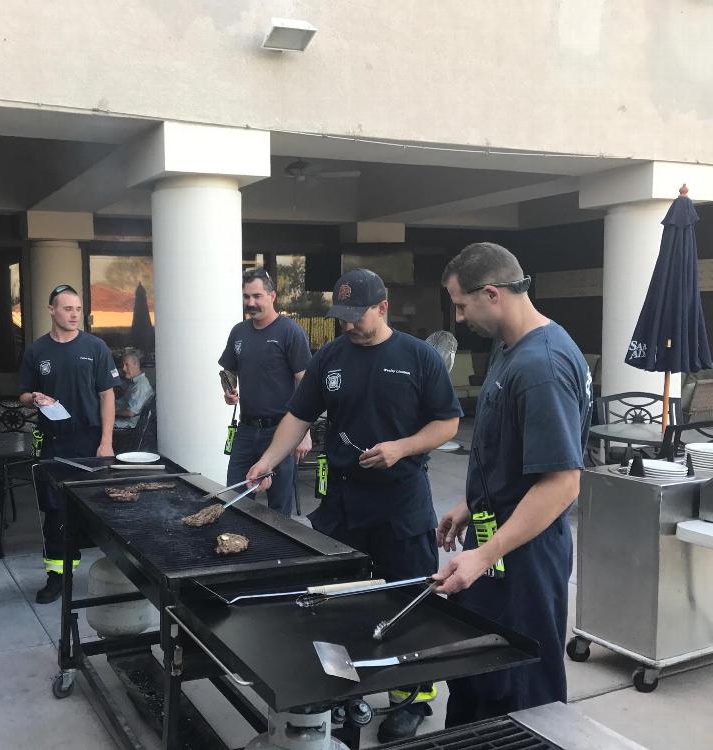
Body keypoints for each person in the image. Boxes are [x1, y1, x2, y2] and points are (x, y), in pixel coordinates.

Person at [246, 268, 462, 741]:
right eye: (341, 316)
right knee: (339, 601)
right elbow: (298, 415)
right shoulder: (331, 357)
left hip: (401, 501)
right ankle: (346, 689)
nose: (347, 324)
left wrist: (402, 447)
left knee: (408, 600)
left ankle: (411, 698)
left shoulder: (418, 356)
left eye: (356, 315)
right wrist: (267, 461)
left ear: (382, 308)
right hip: (344, 502)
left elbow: (447, 423)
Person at [433, 242, 591, 725]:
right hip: (496, 540)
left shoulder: (542, 367)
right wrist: (470, 503)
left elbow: (562, 484)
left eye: (462, 305)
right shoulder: (509, 349)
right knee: (479, 675)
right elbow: (514, 455)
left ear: (492, 293)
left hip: (524, 559)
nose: (459, 318)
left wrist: (484, 554)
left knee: (521, 691)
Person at [18, 284, 119, 604]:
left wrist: (106, 442)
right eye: (67, 309)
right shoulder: (36, 351)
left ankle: (114, 573)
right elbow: (23, 395)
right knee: (55, 512)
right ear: (52, 310)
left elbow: (107, 395)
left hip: (90, 439)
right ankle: (57, 577)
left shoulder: (95, 347)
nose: (74, 315)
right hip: (53, 441)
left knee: (99, 507)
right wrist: (33, 398)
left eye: (77, 309)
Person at [218, 268, 312, 517]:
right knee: (235, 501)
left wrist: (304, 433)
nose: (251, 303)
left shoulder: (290, 332)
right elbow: (228, 370)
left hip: (280, 432)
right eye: (247, 296)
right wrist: (228, 390)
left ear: (272, 296)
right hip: (245, 431)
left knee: (278, 510)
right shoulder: (238, 332)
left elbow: (307, 386)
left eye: (257, 296)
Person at [114, 349, 153, 429]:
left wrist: (111, 412)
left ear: (136, 364)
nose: (124, 369)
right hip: (127, 420)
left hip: (130, 424)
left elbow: (131, 413)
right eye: (123, 365)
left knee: (99, 424)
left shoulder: (140, 386)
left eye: (127, 365)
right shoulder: (134, 383)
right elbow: (123, 402)